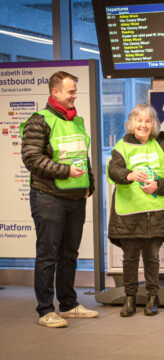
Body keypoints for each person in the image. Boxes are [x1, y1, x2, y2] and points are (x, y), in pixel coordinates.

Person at [21, 71, 98, 328]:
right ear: (55, 92)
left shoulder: (77, 121)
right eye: (71, 92)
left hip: (76, 197)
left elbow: (82, 156)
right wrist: (65, 171)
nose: (75, 95)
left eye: (75, 91)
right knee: (47, 255)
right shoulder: (38, 121)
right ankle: (45, 310)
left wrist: (90, 184)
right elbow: (32, 158)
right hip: (48, 197)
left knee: (69, 255)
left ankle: (68, 304)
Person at [107, 103, 164, 317]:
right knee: (130, 258)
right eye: (139, 120)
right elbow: (114, 170)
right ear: (132, 123)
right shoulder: (122, 146)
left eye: (148, 121)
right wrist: (128, 175)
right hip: (129, 213)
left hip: (156, 212)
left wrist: (159, 185)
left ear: (154, 124)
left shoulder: (163, 146)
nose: (144, 125)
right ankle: (129, 298)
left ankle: (152, 297)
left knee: (152, 257)